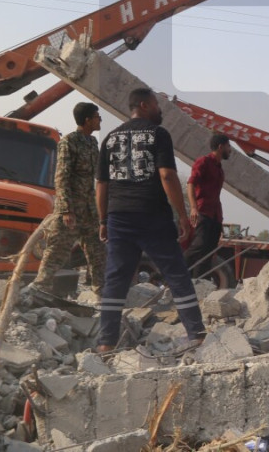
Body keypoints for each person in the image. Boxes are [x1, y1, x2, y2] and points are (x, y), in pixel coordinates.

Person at [95, 88, 205, 353]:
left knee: (116, 279)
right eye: (157, 104)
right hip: (152, 215)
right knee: (176, 273)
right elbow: (167, 175)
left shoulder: (110, 138)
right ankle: (196, 334)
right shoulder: (159, 134)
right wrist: (183, 215)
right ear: (144, 105)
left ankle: (106, 343)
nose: (160, 109)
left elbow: (101, 185)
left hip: (119, 217)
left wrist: (103, 220)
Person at [33, 102, 106, 296]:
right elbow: (61, 176)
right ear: (87, 120)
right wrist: (66, 209)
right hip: (71, 209)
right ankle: (39, 290)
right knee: (57, 251)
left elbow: (98, 173)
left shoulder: (92, 143)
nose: (100, 120)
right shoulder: (68, 142)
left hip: (89, 210)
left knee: (98, 252)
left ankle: (101, 293)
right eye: (97, 116)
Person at [185, 133, 232, 273]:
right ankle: (175, 273)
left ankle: (201, 281)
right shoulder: (203, 162)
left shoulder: (220, 169)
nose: (230, 150)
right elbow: (191, 184)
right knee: (199, 245)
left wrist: (219, 220)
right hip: (203, 212)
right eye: (228, 146)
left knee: (209, 251)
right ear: (220, 147)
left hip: (215, 215)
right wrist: (193, 208)